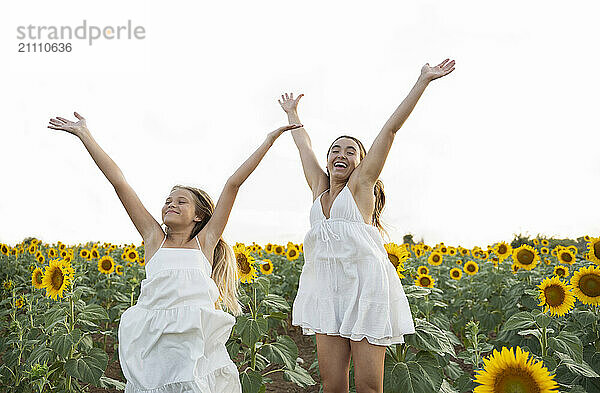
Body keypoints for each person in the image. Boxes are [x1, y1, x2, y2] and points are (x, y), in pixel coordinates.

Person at [47, 113, 302, 392]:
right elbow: (119, 183)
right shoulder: (153, 238)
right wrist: (85, 135)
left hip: (193, 340)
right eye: (168, 200)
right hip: (154, 340)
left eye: (181, 201)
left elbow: (233, 184)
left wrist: (268, 140)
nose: (171, 204)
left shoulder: (204, 243)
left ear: (198, 216)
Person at [279, 58, 456, 393]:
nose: (340, 154)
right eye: (335, 149)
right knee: (332, 386)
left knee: (368, 387)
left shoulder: (359, 188)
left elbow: (389, 130)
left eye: (350, 151)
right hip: (327, 291)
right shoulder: (318, 187)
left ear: (362, 163)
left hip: (366, 290)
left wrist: (423, 81)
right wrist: (292, 115)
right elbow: (304, 145)